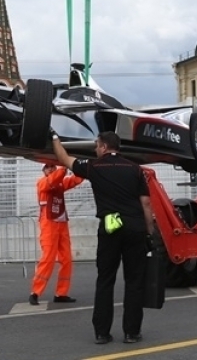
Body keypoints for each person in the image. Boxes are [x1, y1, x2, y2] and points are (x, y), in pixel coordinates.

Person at [52, 130, 154, 345]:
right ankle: (131, 332)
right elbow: (146, 203)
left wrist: (54, 138)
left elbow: (63, 158)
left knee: (105, 280)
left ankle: (102, 333)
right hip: (135, 227)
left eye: (97, 146)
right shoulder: (135, 169)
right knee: (134, 282)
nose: (95, 149)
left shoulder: (94, 167)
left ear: (105, 147)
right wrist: (149, 232)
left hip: (110, 227)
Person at [29, 162, 84, 305]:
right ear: (44, 170)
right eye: (48, 167)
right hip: (49, 224)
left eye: (53, 166)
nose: (52, 169)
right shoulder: (42, 183)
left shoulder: (60, 183)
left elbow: (76, 179)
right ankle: (35, 292)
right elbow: (53, 180)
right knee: (48, 258)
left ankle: (61, 293)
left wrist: (81, 166)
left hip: (61, 223)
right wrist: (64, 165)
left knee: (66, 259)